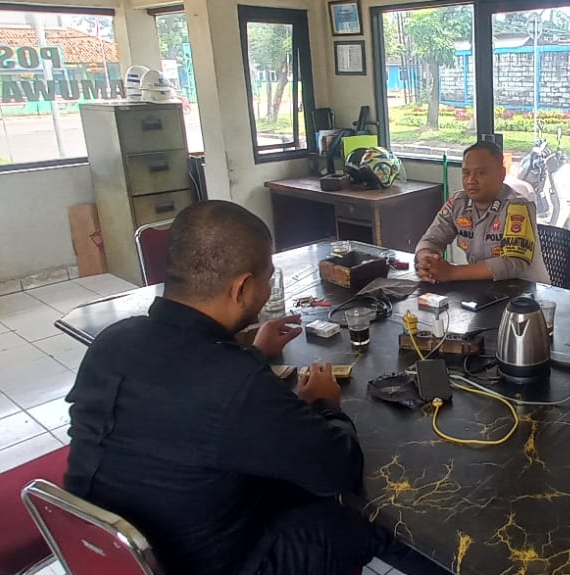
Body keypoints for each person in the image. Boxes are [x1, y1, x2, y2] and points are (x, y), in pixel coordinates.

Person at [64, 200, 385, 575]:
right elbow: (339, 470)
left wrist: (253, 353)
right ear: (243, 287)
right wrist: (324, 405)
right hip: (206, 565)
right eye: (267, 279)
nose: (267, 289)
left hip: (104, 552)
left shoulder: (112, 341)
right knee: (353, 522)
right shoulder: (237, 384)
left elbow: (184, 390)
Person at [415, 140, 550, 284]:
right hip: (483, 289)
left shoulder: (518, 206)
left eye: (481, 173)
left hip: (526, 292)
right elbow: (432, 239)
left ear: (501, 174)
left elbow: (513, 263)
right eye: (466, 173)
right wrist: (426, 260)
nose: (471, 180)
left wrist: (451, 272)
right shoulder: (457, 203)